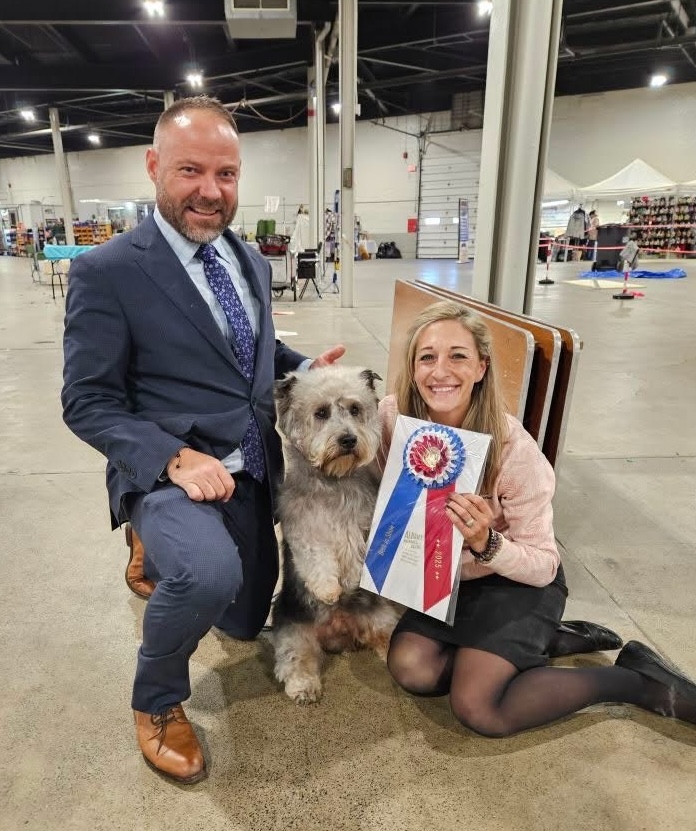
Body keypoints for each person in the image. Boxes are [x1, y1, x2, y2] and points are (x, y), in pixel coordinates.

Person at [61, 95, 344, 784]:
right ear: (153, 165)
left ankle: (164, 550)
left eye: (226, 174)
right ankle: (156, 701)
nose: (211, 191)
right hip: (172, 464)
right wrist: (173, 459)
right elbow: (86, 400)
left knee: (243, 621)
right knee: (208, 573)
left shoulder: (248, 259)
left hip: (250, 462)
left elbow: (253, 354)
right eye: (190, 170)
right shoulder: (109, 272)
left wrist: (308, 369)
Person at [379, 300, 696, 737]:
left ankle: (636, 681)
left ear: (481, 367)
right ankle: (543, 641)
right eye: (427, 357)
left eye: (458, 356)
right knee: (413, 668)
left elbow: (544, 564)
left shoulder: (514, 450)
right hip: (444, 578)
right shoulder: (392, 418)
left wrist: (486, 542)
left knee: (480, 708)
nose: (441, 371)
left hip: (516, 580)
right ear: (413, 368)